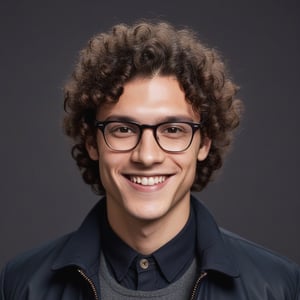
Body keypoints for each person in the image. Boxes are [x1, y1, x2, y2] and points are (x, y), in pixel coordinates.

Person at [1, 20, 299, 300]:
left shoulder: (278, 285)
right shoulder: (21, 284)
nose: (147, 156)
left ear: (204, 143)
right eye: (122, 129)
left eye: (172, 130)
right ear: (92, 142)